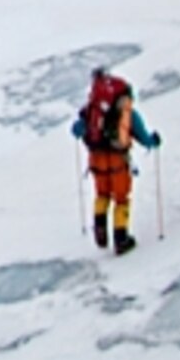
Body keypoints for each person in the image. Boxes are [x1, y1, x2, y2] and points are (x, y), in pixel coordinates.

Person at [73, 67, 160, 255]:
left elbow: (77, 130)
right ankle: (121, 238)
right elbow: (143, 138)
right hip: (118, 161)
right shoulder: (127, 114)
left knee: (102, 195)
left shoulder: (92, 110)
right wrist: (153, 141)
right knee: (121, 199)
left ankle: (100, 228)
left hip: (96, 160)